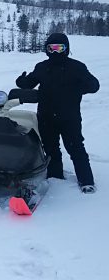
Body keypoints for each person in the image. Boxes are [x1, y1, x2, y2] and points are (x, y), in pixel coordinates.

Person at [16, 33, 99, 194]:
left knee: (75, 148)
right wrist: (21, 81)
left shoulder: (77, 67)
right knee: (51, 148)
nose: (55, 52)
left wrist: (80, 88)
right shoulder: (42, 67)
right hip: (46, 116)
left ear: (66, 49)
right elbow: (29, 83)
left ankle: (86, 181)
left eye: (59, 48)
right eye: (51, 48)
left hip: (70, 117)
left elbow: (94, 85)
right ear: (47, 49)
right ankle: (55, 177)